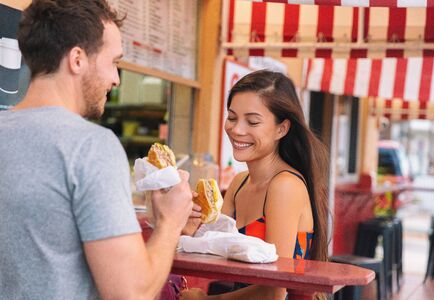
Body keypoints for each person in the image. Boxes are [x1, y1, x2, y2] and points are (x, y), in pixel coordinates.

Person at [0, 1, 200, 299]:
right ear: (77, 59)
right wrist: (171, 223)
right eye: (113, 61)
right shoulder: (91, 147)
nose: (116, 78)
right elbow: (131, 293)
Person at [180, 70, 329, 300]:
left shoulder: (285, 186)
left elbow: (274, 291)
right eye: (231, 117)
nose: (237, 129)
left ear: (282, 128)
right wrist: (187, 226)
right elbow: (211, 249)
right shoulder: (239, 184)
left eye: (252, 121)